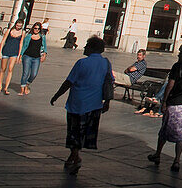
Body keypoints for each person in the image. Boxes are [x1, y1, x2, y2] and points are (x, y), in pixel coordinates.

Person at [50, 36, 113, 174]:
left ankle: (75, 158)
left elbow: (69, 81)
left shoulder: (81, 63)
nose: (84, 48)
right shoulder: (106, 63)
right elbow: (109, 82)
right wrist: (107, 101)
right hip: (95, 105)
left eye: (86, 45)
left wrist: (56, 95)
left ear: (91, 48)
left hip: (77, 104)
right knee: (83, 134)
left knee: (74, 133)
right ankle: (73, 158)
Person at [147, 43, 182, 172]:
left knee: (165, 129)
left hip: (176, 103)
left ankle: (158, 154)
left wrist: (164, 101)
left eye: (180, 53)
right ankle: (177, 160)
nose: (178, 55)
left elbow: (170, 85)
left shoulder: (177, 67)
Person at [18, 21, 48, 95]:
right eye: (35, 28)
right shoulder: (29, 36)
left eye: (38, 29)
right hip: (27, 56)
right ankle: (22, 89)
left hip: (36, 58)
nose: (36, 30)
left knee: (34, 74)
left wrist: (44, 54)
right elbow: (24, 46)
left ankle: (27, 84)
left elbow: (44, 46)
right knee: (25, 73)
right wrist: (20, 55)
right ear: (33, 28)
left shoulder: (42, 37)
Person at [0, 20, 25, 94]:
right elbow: (3, 41)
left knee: (10, 69)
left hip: (14, 52)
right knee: (3, 69)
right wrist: (0, 52)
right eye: (17, 25)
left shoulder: (23, 32)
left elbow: (21, 44)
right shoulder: (9, 30)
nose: (18, 27)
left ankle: (6, 88)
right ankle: (0, 86)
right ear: (15, 24)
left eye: (20, 26)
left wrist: (19, 55)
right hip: (6, 50)